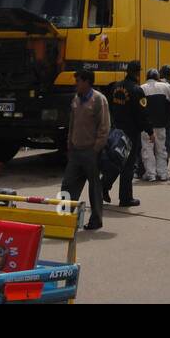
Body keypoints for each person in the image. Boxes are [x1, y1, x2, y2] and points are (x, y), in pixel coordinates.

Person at [60, 69, 109, 229]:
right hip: (75, 151)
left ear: (87, 82)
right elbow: (72, 124)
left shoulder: (98, 100)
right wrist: (69, 144)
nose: (76, 84)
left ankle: (96, 220)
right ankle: (64, 218)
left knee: (94, 188)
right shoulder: (76, 99)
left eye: (78, 81)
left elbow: (104, 127)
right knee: (67, 184)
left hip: (91, 152)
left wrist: (96, 148)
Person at [101, 60, 147, 207]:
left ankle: (103, 186)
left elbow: (110, 105)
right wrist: (150, 130)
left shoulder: (115, 86)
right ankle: (126, 198)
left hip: (116, 131)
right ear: (137, 72)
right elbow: (142, 114)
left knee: (115, 161)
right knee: (128, 165)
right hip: (131, 133)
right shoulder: (137, 90)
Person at [140, 68, 170, 181]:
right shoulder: (164, 86)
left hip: (147, 126)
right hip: (161, 124)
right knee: (161, 149)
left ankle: (151, 174)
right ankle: (163, 173)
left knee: (147, 149)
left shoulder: (142, 88)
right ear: (157, 77)